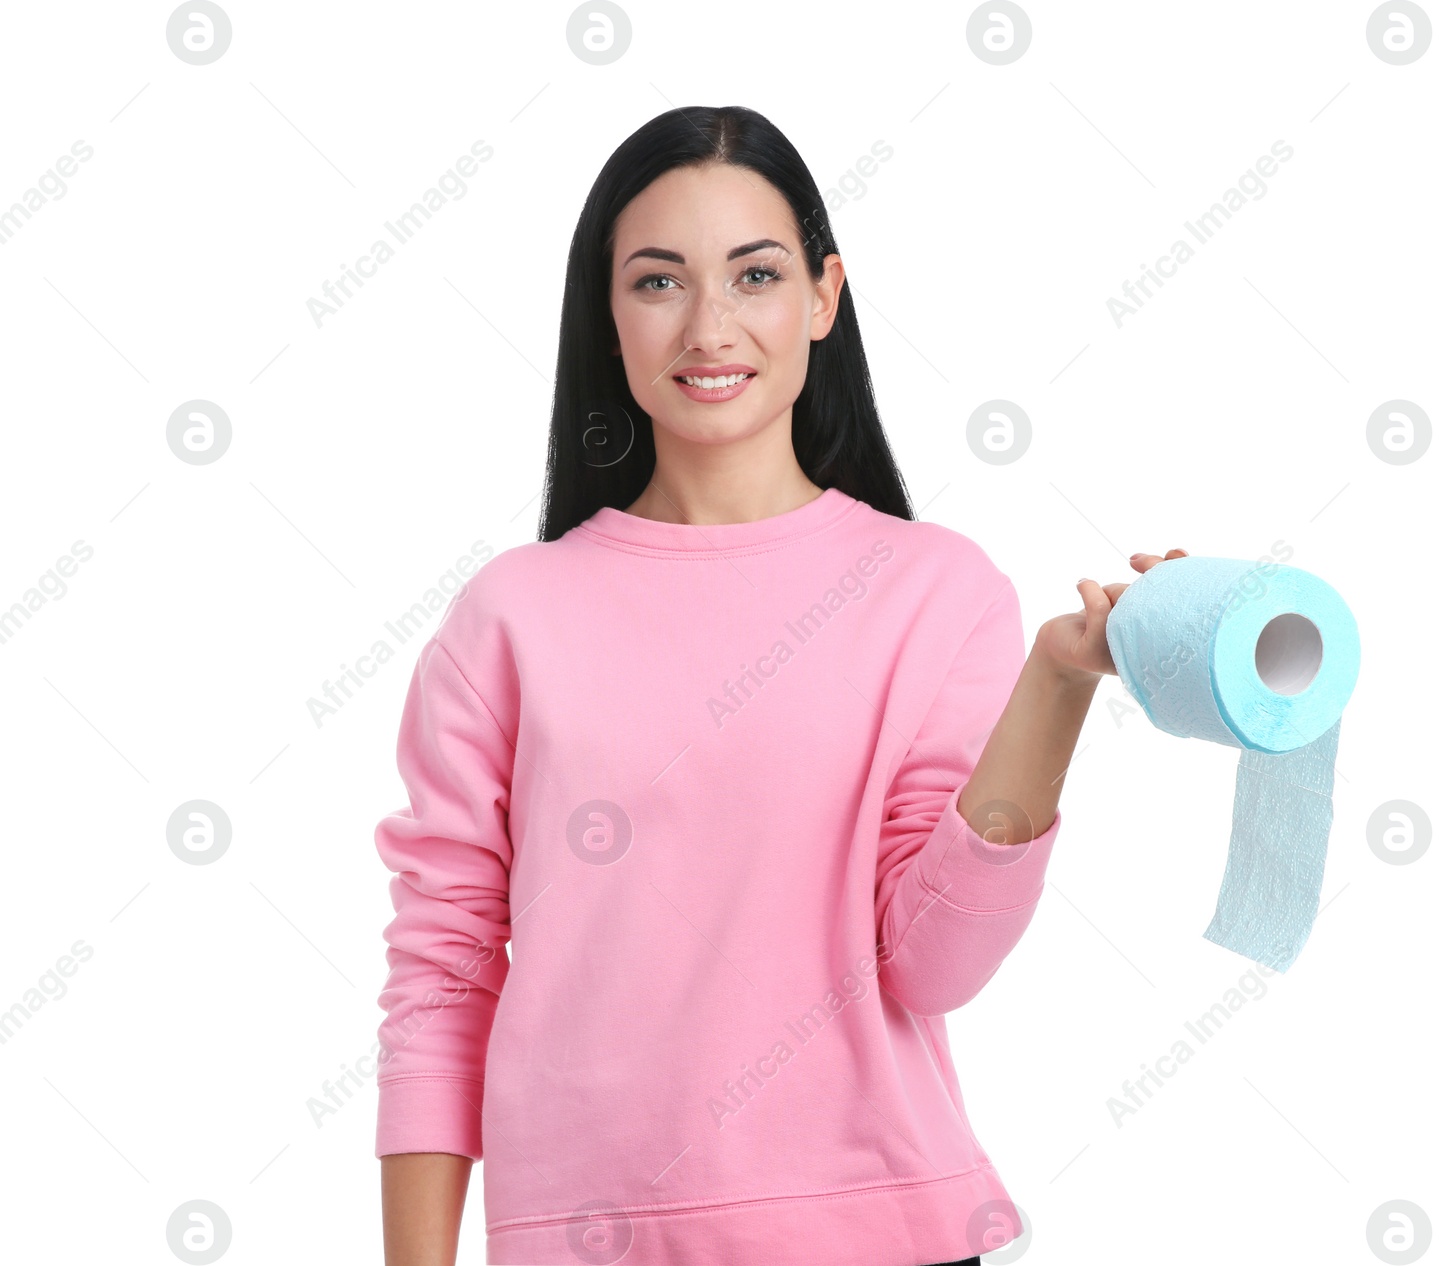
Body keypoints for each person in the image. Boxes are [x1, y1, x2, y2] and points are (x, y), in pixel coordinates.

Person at [374, 103, 1184, 1266]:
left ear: (821, 296)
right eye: (658, 283)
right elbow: (443, 967)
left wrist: (1057, 683)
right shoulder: (512, 616)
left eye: (753, 276)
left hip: (882, 1230)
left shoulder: (933, 593)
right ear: (607, 317)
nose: (708, 326)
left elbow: (934, 964)